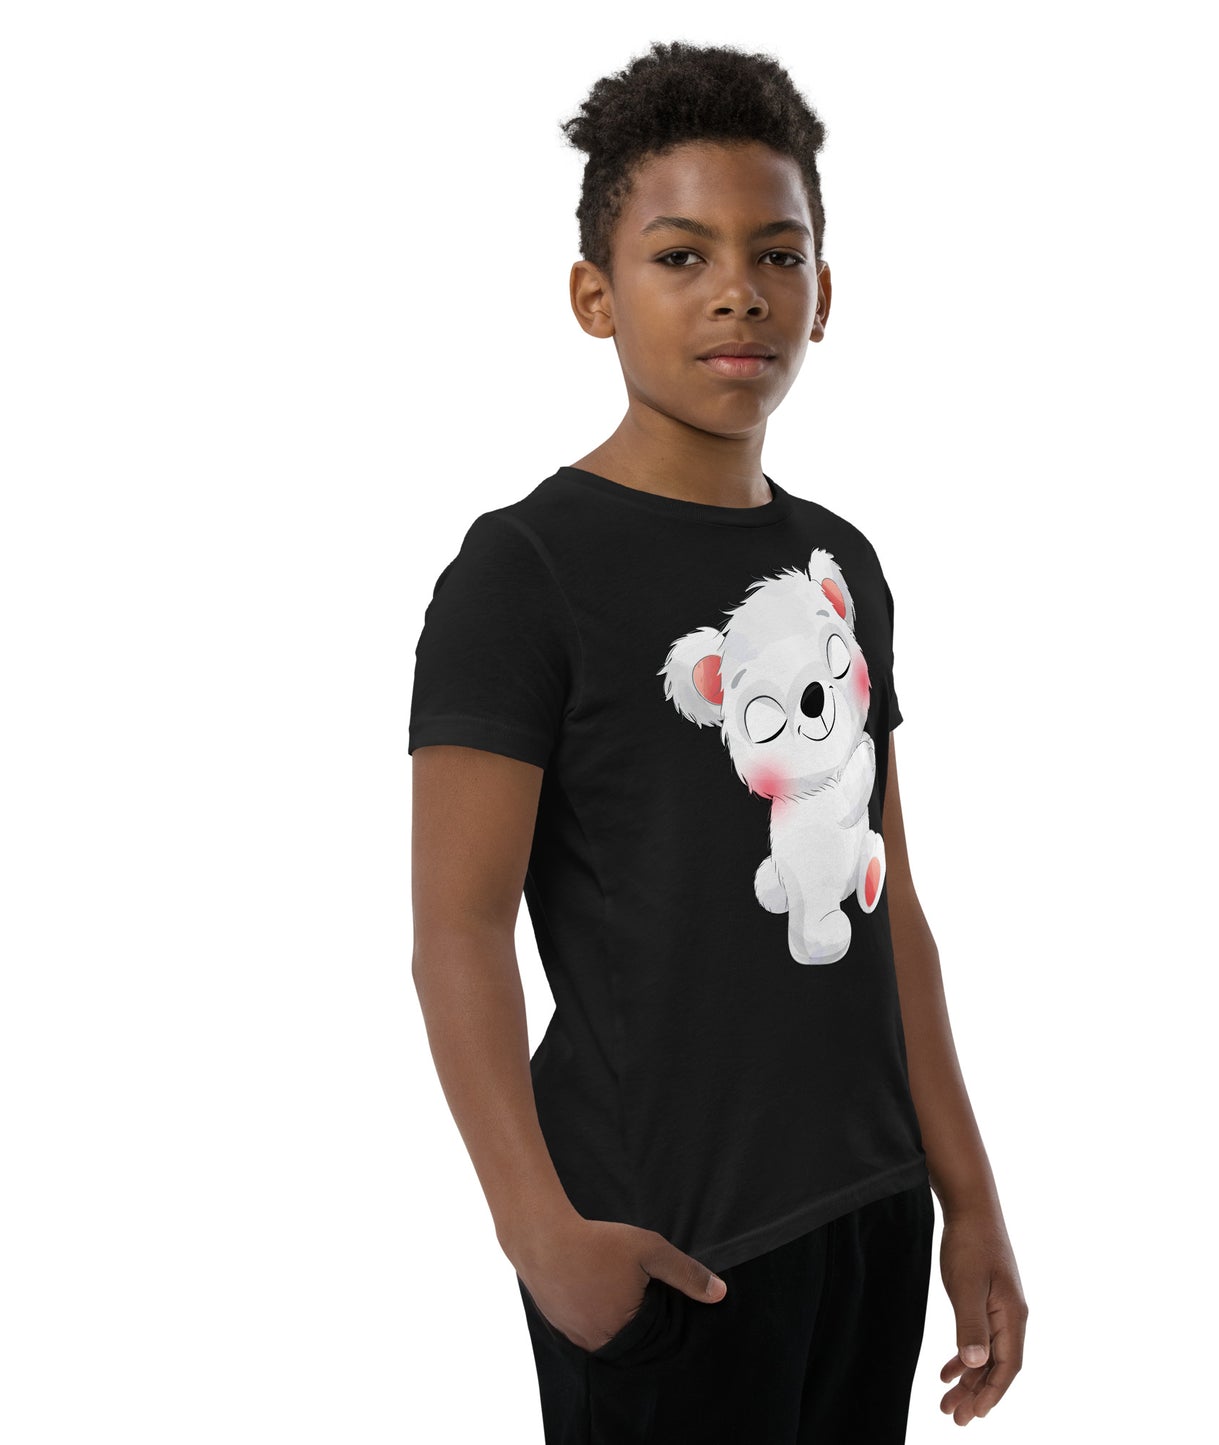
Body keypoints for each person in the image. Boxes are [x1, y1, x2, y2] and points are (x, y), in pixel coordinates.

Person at [408, 39, 1026, 1443]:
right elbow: (457, 931)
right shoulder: (524, 572)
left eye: (776, 253)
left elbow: (888, 903)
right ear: (595, 294)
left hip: (867, 1210)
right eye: (680, 255)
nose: (737, 291)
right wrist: (541, 1237)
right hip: (665, 1247)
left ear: (824, 291)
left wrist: (968, 1197)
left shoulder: (839, 564)